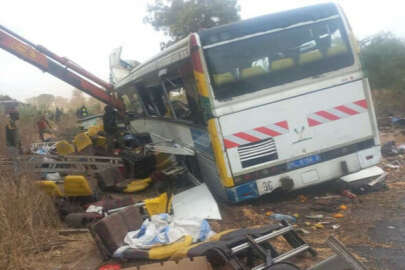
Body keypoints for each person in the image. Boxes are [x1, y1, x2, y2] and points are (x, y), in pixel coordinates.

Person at [5, 108, 21, 173]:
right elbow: (15, 137)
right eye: (17, 115)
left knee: (15, 160)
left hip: (10, 144)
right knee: (16, 161)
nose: (18, 116)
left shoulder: (10, 123)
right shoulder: (12, 124)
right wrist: (19, 146)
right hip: (12, 145)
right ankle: (16, 175)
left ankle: (16, 174)